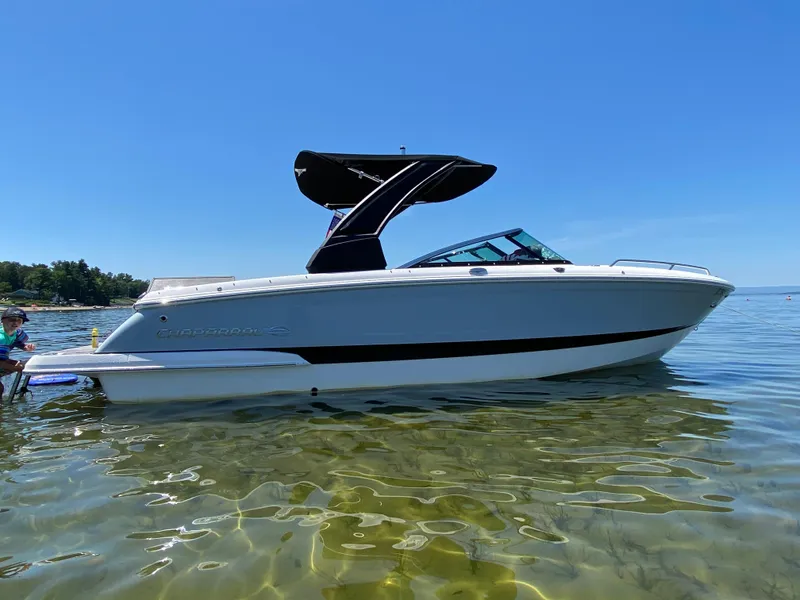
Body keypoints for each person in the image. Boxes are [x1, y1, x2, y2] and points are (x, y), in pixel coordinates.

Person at [1, 307, 36, 398]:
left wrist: (27, 347)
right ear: (3, 321)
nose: (15, 323)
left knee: (26, 365)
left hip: (3, 360)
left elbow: (20, 344)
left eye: (19, 321)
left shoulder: (17, 333)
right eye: (12, 320)